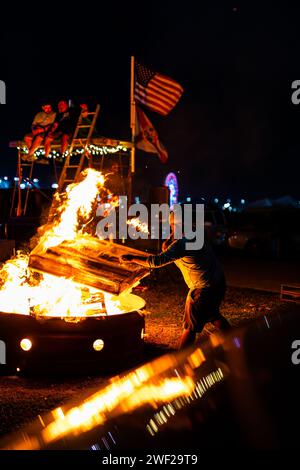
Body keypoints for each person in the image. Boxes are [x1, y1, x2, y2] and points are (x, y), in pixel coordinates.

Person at [121, 212, 231, 349]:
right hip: (218, 283)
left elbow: (156, 261)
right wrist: (172, 235)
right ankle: (236, 339)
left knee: (189, 327)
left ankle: (181, 358)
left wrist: (132, 258)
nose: (171, 229)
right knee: (213, 315)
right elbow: (167, 247)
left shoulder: (183, 243)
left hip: (203, 290)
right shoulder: (196, 234)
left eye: (173, 225)